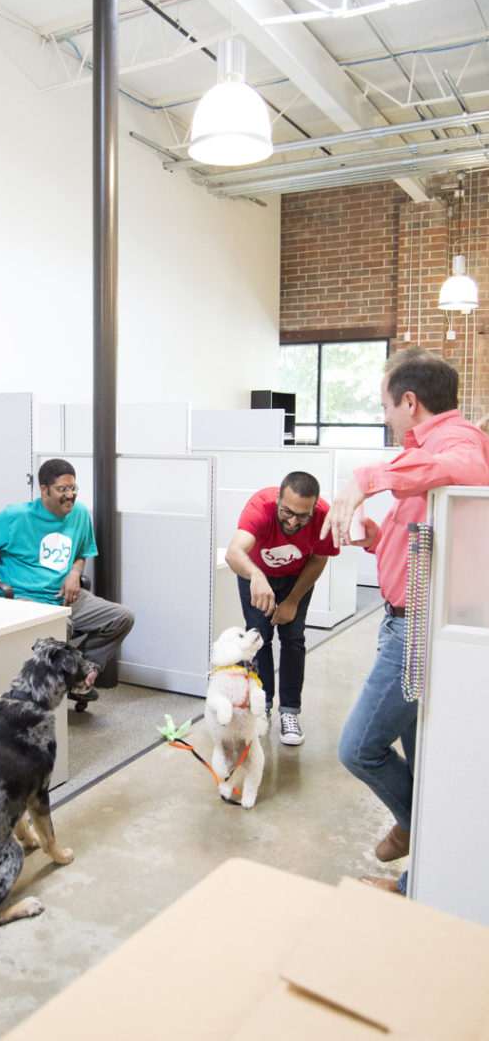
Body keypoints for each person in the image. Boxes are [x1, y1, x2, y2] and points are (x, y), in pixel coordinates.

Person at [321, 346, 489, 894]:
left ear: (410, 402)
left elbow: (466, 469)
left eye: (387, 406)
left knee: (359, 748)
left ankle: (420, 830)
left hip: (416, 627)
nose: (385, 416)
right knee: (422, 758)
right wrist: (374, 537)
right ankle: (422, 878)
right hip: (403, 620)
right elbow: (418, 536)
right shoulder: (421, 456)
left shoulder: (456, 443)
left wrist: (364, 479)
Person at [0, 459, 135, 700]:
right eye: (62, 489)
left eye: (73, 488)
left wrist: (75, 573)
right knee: (59, 626)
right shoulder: (18, 515)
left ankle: (82, 673)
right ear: (44, 490)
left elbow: (81, 553)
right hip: (24, 598)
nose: (70, 495)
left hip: (63, 597)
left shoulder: (80, 514)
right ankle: (64, 680)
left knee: (121, 617)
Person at [225, 471, 340, 746]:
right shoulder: (260, 507)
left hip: (296, 578)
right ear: (278, 499)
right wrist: (256, 576)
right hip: (255, 574)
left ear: (314, 507)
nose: (292, 521)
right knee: (258, 638)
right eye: (287, 511)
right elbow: (234, 553)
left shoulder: (325, 515)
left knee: (293, 638)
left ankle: (289, 711)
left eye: (303, 515)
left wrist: (292, 602)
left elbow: (318, 560)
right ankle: (262, 705)